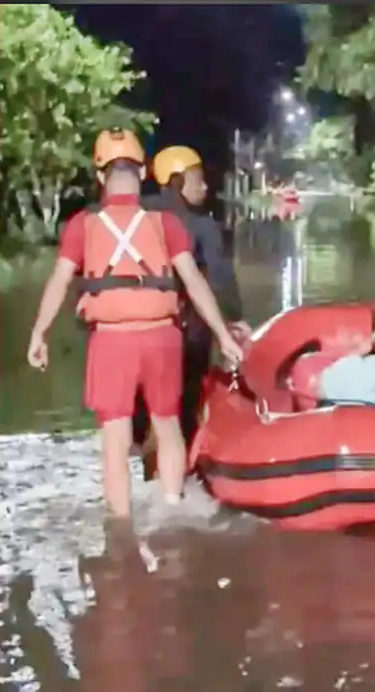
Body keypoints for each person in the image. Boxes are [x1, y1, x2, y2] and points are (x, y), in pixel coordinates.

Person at [27, 129, 245, 518]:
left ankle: (121, 526)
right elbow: (194, 282)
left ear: (100, 176)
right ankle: (173, 510)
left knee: (116, 439)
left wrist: (39, 333)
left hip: (112, 342)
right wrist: (223, 334)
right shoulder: (166, 223)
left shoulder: (81, 225)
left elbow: (59, 281)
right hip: (162, 337)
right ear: (143, 172)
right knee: (168, 425)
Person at [132, 145, 249, 470]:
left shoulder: (135, 216)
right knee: (186, 397)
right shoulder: (201, 225)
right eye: (198, 180)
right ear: (179, 181)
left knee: (140, 400)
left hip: (134, 328)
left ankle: (141, 452)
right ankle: (179, 464)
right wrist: (233, 319)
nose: (206, 187)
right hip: (186, 330)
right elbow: (220, 277)